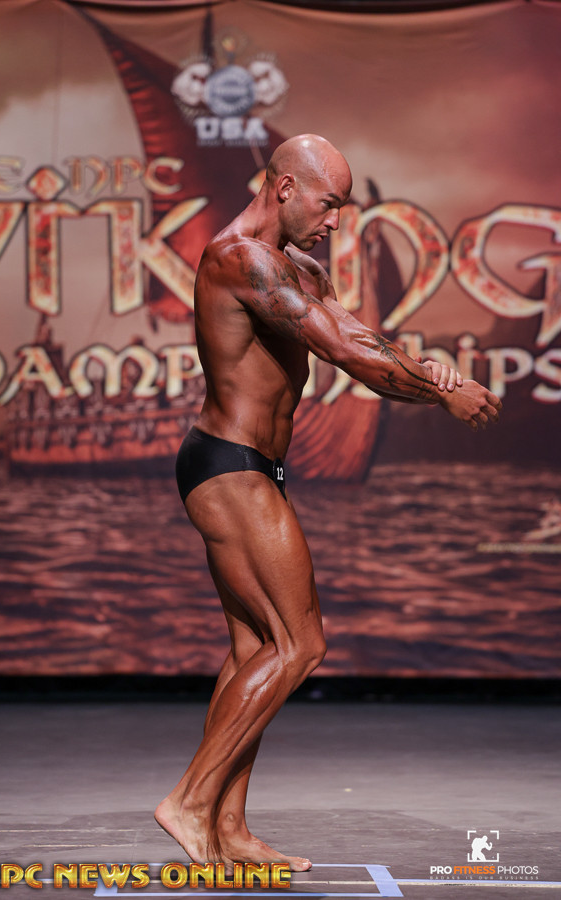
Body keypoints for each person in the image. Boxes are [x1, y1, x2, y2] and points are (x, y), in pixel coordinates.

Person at [155, 134, 502, 871]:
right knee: (301, 643)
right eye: (329, 203)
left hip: (254, 467)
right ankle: (189, 800)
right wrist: (441, 395)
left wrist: (430, 374)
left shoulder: (302, 268)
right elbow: (347, 355)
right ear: (285, 187)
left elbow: (357, 339)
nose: (336, 220)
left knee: (255, 650)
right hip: (229, 466)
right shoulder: (240, 259)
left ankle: (228, 829)